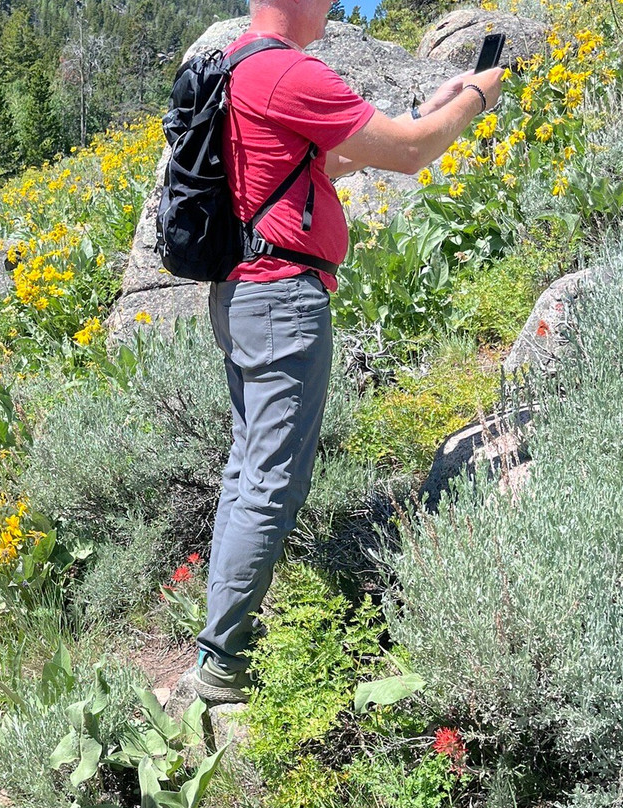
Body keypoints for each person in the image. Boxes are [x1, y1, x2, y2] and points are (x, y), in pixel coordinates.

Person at [193, 0, 504, 703]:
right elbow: (411, 153)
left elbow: (322, 162)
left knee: (249, 470)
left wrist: (428, 107)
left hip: (244, 291)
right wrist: (479, 98)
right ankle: (222, 663)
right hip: (280, 299)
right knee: (271, 481)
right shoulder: (286, 71)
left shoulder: (242, 65)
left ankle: (221, 640)